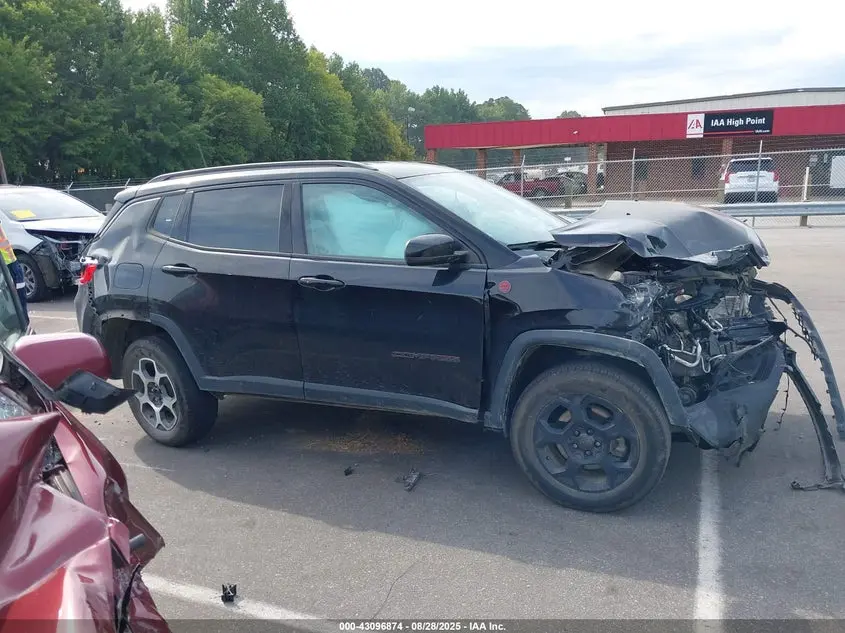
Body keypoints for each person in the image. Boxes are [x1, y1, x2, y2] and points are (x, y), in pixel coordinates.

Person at [0, 223, 28, 325]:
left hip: (11, 265)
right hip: (7, 267)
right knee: (16, 303)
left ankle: (24, 327)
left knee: (19, 302)